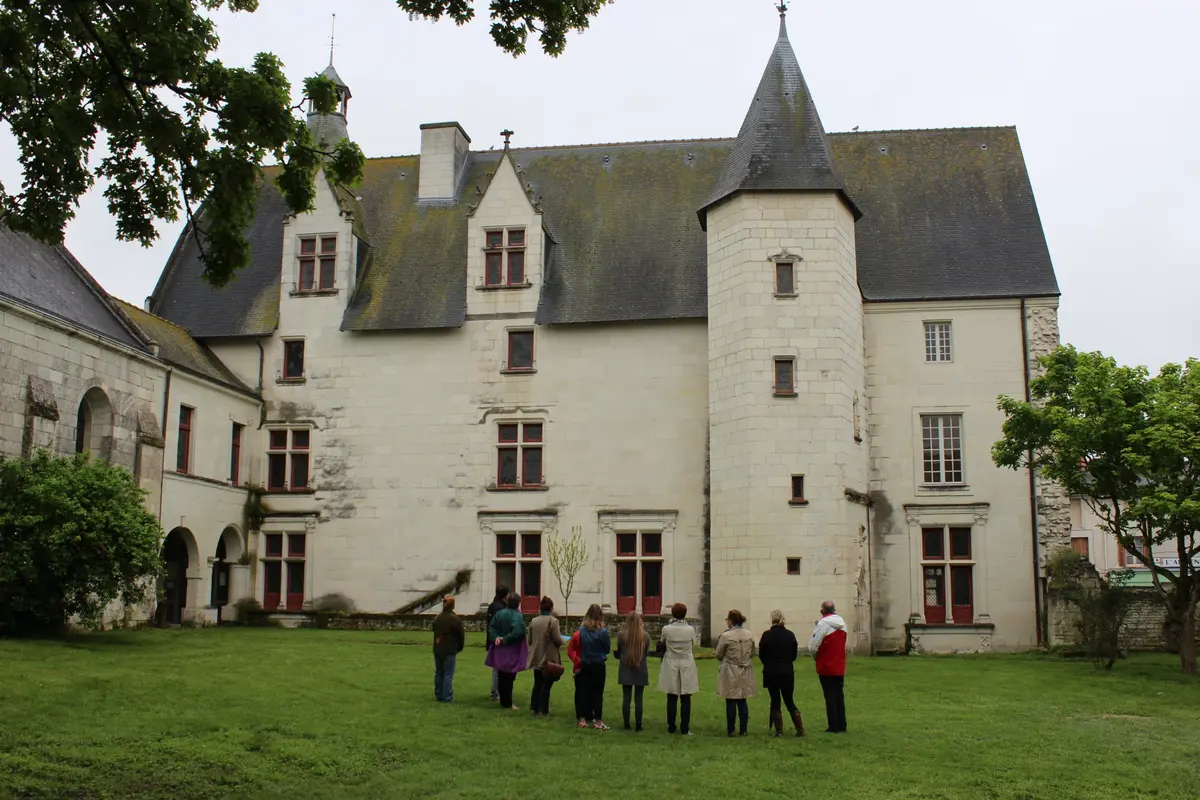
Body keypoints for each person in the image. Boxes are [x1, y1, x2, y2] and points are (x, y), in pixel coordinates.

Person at [758, 609, 804, 736]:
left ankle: (779, 731)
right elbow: (794, 655)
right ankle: (800, 729)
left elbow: (761, 654)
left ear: (771, 620)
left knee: (775, 700)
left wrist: (768, 663)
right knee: (789, 700)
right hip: (787, 672)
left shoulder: (766, 635)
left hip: (771, 672)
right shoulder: (790, 635)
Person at [657, 602, 699, 735]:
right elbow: (693, 645)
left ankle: (671, 726)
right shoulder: (690, 629)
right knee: (686, 696)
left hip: (671, 661)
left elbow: (662, 642)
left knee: (672, 695)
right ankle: (685, 728)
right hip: (686, 661)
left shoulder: (667, 629)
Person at [807, 600, 848, 733]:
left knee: (829, 696)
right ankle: (842, 724)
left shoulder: (822, 624)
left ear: (822, 611)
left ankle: (833, 725)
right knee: (839, 695)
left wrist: (816, 657)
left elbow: (813, 646)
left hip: (826, 664)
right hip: (839, 664)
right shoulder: (842, 624)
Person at [715, 609, 757, 737]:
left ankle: (731, 730)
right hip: (745, 669)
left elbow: (718, 654)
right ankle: (743, 730)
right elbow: (753, 652)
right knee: (742, 700)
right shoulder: (749, 635)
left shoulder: (726, 636)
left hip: (731, 669)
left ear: (731, 621)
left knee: (731, 700)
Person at [484, 593, 528, 710]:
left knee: (501, 674)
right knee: (509, 677)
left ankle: (503, 701)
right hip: (511, 649)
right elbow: (517, 632)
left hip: (499, 649)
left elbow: (491, 628)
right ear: (518, 603)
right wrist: (505, 639)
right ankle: (507, 703)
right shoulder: (517, 616)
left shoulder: (499, 613)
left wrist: (496, 638)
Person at [526, 595, 564, 717]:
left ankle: (534, 707)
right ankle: (544, 710)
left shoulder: (534, 621)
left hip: (536, 655)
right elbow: (557, 639)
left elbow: (530, 640)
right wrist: (564, 641)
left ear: (540, 608)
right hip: (548, 657)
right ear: (551, 608)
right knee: (546, 685)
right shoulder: (553, 621)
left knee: (537, 683)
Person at [577, 604, 611, 729]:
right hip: (598, 664)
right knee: (598, 693)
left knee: (584, 691)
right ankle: (597, 720)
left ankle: (582, 718)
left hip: (585, 663)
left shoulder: (582, 631)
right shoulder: (603, 632)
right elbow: (607, 649)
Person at [614, 610, 649, 731]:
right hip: (640, 667)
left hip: (626, 667)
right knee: (639, 698)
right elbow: (646, 651)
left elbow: (618, 650)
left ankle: (626, 724)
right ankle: (639, 724)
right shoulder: (644, 635)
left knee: (626, 696)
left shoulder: (622, 635)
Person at [431, 595, 465, 703]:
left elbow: (434, 629)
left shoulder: (438, 618)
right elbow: (460, 635)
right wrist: (459, 647)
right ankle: (447, 697)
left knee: (439, 672)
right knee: (448, 674)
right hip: (450, 649)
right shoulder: (455, 619)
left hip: (438, 648)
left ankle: (439, 694)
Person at [485, 586, 510, 702]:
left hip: (491, 639)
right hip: (499, 640)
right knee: (498, 668)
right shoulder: (502, 608)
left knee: (497, 668)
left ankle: (498, 691)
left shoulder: (492, 606)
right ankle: (495, 693)